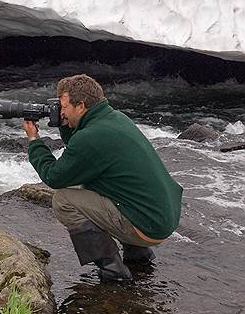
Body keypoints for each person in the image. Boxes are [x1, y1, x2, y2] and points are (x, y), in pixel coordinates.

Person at [23, 74, 183, 282]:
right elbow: (80, 152)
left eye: (63, 107)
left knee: (63, 200)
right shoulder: (115, 118)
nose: (60, 112)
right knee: (97, 182)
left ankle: (112, 268)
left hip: (146, 225)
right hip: (161, 217)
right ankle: (138, 253)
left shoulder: (92, 136)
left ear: (80, 106)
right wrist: (64, 123)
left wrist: (34, 140)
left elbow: (54, 176)